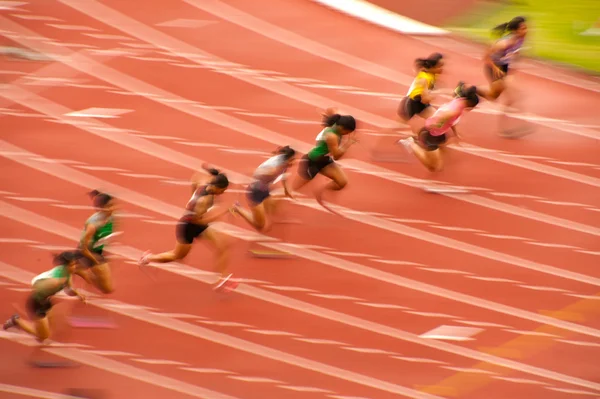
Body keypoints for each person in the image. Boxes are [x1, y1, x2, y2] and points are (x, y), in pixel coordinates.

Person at [138, 166, 237, 292]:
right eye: (223, 190)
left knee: (223, 245)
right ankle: (147, 259)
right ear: (217, 187)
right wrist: (221, 213)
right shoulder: (203, 201)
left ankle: (221, 280)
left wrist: (192, 197)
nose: (222, 193)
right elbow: (199, 221)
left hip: (197, 224)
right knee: (176, 256)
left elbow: (195, 178)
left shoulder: (205, 183)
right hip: (188, 227)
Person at [3, 251, 87, 343]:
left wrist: (77, 294)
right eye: (72, 265)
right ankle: (16, 320)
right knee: (42, 337)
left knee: (48, 328)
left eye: (75, 264)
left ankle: (39, 324)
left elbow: (68, 290)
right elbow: (36, 285)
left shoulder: (67, 273)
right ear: (65, 266)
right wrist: (49, 287)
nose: (74, 267)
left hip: (47, 301)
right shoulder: (56, 279)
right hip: (38, 304)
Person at [399, 83, 480, 172]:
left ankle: (423, 145)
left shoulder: (460, 101)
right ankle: (411, 143)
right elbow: (444, 116)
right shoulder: (456, 110)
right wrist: (436, 124)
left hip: (439, 133)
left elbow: (451, 120)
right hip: (431, 135)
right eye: (473, 107)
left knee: (443, 149)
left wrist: (456, 133)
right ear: (470, 104)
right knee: (434, 167)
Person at [289, 110, 357, 213]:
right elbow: (337, 156)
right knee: (293, 189)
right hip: (313, 161)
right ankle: (275, 198)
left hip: (324, 160)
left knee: (342, 182)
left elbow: (329, 120)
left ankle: (320, 192)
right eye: (347, 132)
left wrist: (327, 116)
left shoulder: (336, 125)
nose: (347, 135)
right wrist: (348, 143)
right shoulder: (332, 137)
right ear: (342, 128)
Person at [475, 16, 528, 135]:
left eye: (526, 28)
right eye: (523, 28)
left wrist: (512, 68)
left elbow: (516, 53)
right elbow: (486, 57)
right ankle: (504, 129)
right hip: (493, 67)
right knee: (512, 97)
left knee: (493, 96)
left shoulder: (520, 39)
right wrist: (496, 69)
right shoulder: (504, 43)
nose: (526, 31)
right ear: (515, 31)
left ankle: (471, 89)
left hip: (504, 67)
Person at [232, 145, 296, 232]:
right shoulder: (272, 169)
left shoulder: (283, 162)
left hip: (265, 189)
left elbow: (284, 175)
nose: (295, 161)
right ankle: (237, 208)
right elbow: (252, 172)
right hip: (255, 193)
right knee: (259, 225)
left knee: (272, 205)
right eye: (292, 159)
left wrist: (286, 189)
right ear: (287, 159)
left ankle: (274, 218)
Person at [75, 190, 117, 294]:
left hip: (98, 250)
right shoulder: (93, 225)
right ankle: (81, 271)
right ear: (100, 208)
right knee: (107, 290)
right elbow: (83, 248)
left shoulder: (110, 217)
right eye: (108, 207)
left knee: (106, 288)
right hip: (88, 253)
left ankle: (80, 269)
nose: (112, 209)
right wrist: (95, 261)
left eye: (113, 205)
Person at [398, 53, 445, 125]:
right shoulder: (424, 78)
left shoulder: (433, 74)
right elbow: (424, 99)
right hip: (413, 103)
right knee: (401, 125)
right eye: (439, 66)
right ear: (433, 67)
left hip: (421, 104)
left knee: (437, 121)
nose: (442, 69)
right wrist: (431, 96)